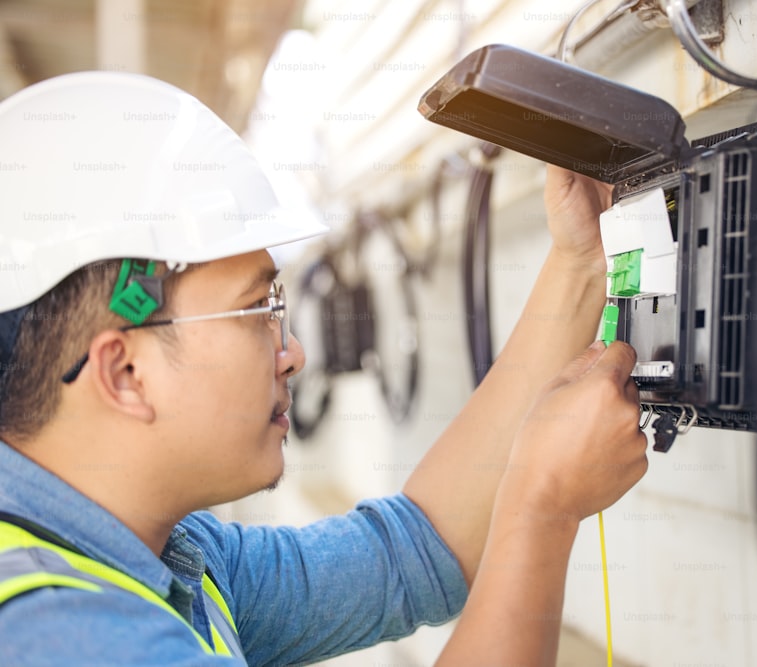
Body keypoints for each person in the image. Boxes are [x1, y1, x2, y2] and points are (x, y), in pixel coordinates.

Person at [0, 71, 648, 666]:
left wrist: (581, 263)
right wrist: (543, 507)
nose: (294, 354)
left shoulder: (167, 554)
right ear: (126, 373)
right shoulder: (59, 635)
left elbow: (410, 554)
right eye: (257, 308)